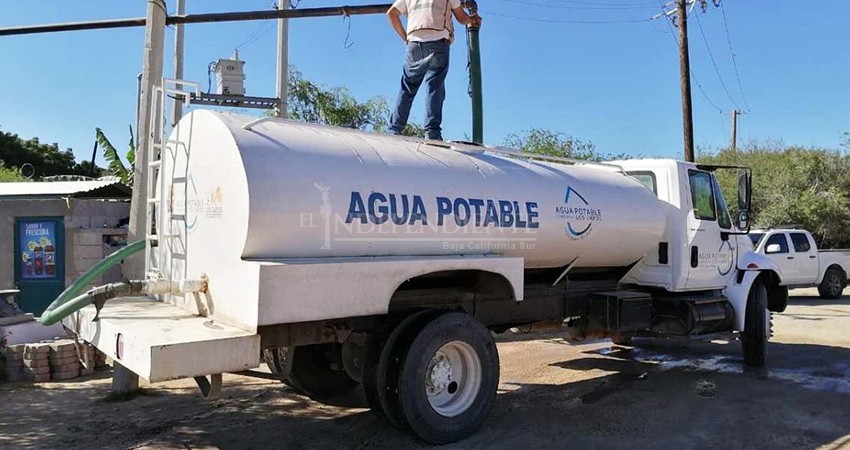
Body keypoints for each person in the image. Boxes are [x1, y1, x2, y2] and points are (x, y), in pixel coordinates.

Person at [386, 0, 482, 141]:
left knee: (408, 87)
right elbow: (461, 18)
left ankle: (395, 129)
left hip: (414, 43)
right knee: (435, 87)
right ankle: (432, 132)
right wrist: (472, 19)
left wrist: (405, 37)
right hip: (438, 42)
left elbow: (392, 14)